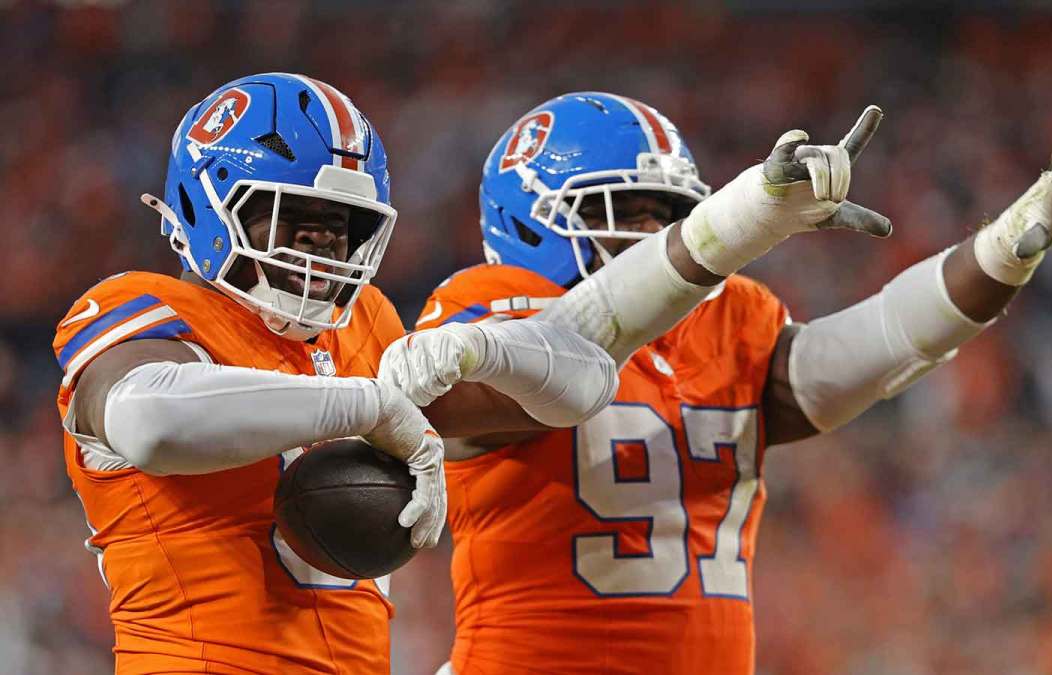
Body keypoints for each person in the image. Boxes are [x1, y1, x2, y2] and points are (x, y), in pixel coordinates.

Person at [53, 75, 884, 674]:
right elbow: (150, 419)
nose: (319, 252)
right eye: (292, 220)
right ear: (206, 203)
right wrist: (372, 404)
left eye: (342, 230)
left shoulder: (369, 323)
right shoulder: (137, 306)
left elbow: (580, 346)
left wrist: (740, 224)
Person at [415, 92, 1052, 675]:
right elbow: (506, 381)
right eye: (626, 213)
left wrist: (1005, 249)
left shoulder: (727, 320)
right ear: (530, 222)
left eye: (669, 215)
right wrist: (739, 220)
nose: (654, 234)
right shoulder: (491, 304)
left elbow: (873, 347)